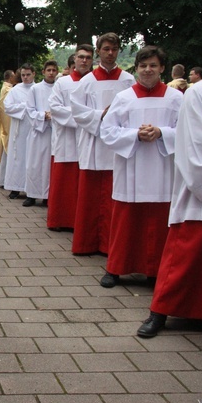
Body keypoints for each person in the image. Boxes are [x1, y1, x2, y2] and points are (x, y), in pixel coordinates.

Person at [99, 46, 182, 289]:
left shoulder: (176, 98)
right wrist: (135, 135)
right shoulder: (124, 98)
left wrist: (161, 133)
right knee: (126, 221)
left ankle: (156, 271)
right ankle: (115, 269)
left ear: (162, 68)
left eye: (153, 65)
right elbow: (107, 130)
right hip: (131, 168)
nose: (148, 70)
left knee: (158, 223)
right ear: (136, 68)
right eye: (143, 65)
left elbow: (188, 131)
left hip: (162, 170)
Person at [137, 77, 202, 336]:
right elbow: (194, 146)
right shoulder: (200, 92)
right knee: (182, 258)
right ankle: (160, 312)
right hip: (200, 194)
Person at [70, 33, 135, 255]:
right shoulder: (87, 81)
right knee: (91, 198)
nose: (110, 53)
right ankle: (87, 243)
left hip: (118, 146)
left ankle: (111, 245)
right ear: (98, 51)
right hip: (94, 144)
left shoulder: (128, 80)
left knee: (114, 196)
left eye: (114, 49)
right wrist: (101, 115)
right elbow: (77, 112)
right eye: (106, 49)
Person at [47, 44, 93, 231]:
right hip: (68, 138)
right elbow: (55, 108)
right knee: (66, 181)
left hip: (90, 137)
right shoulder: (62, 83)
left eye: (88, 57)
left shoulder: (94, 82)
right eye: (80, 57)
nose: (84, 60)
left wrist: (90, 118)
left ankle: (82, 221)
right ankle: (61, 219)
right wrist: (84, 117)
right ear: (74, 59)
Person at [24, 59, 58, 207]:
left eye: (54, 70)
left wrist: (55, 115)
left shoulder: (60, 88)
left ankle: (48, 196)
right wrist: (43, 115)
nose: (51, 73)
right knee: (34, 164)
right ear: (43, 72)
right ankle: (31, 195)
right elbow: (29, 110)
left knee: (49, 166)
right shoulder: (35, 89)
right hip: (39, 132)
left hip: (54, 132)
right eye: (48, 70)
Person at [3, 63, 36, 200]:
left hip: (34, 128)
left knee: (32, 159)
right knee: (17, 157)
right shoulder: (15, 90)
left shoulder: (37, 89)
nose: (25, 78)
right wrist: (25, 107)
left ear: (34, 74)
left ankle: (31, 189)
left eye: (28, 75)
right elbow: (8, 107)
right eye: (23, 75)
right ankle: (15, 187)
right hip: (19, 129)